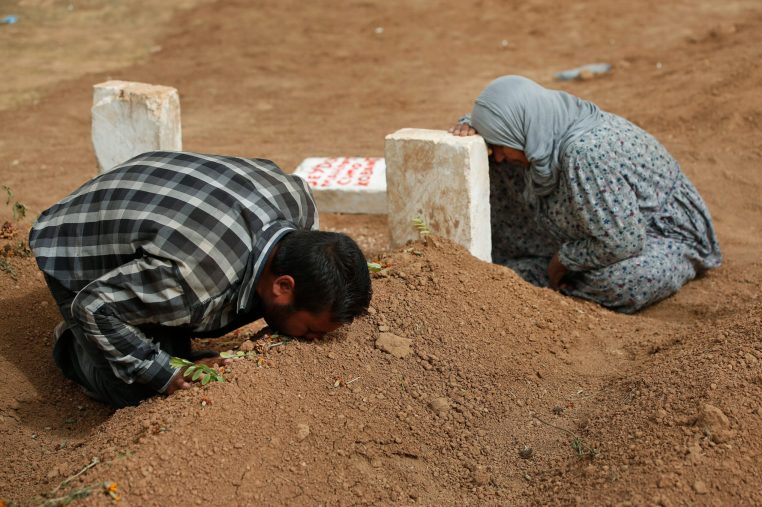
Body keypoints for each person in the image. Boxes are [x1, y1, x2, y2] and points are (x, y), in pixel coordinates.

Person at [30, 151, 372, 408]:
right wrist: (165, 373)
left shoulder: (300, 202)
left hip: (152, 196)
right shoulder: (195, 280)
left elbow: (260, 166)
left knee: (230, 309)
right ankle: (73, 347)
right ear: (284, 285)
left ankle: (148, 313)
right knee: (137, 386)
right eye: (312, 330)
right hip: (72, 243)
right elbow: (93, 306)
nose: (312, 340)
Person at [449, 75, 721, 313]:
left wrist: (562, 261)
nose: (498, 154)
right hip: (599, 223)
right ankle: (531, 267)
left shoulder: (585, 154)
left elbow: (624, 242)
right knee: (497, 169)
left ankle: (548, 277)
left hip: (657, 235)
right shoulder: (544, 125)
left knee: (623, 281)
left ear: (521, 127)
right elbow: (503, 132)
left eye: (500, 144)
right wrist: (474, 132)